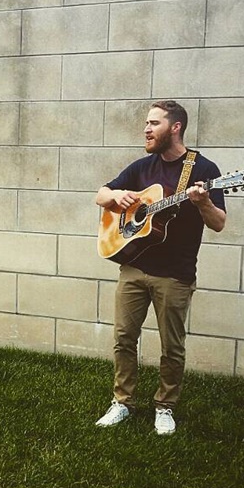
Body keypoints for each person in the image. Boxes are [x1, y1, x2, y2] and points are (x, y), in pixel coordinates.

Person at [93, 100, 226, 435]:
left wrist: (204, 201)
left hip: (176, 273)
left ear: (175, 127)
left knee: (172, 345)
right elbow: (100, 195)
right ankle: (122, 401)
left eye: (154, 123)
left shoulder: (202, 170)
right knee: (124, 337)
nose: (146, 129)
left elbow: (219, 223)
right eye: (146, 124)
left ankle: (165, 406)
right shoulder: (142, 167)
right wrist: (119, 195)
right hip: (134, 267)